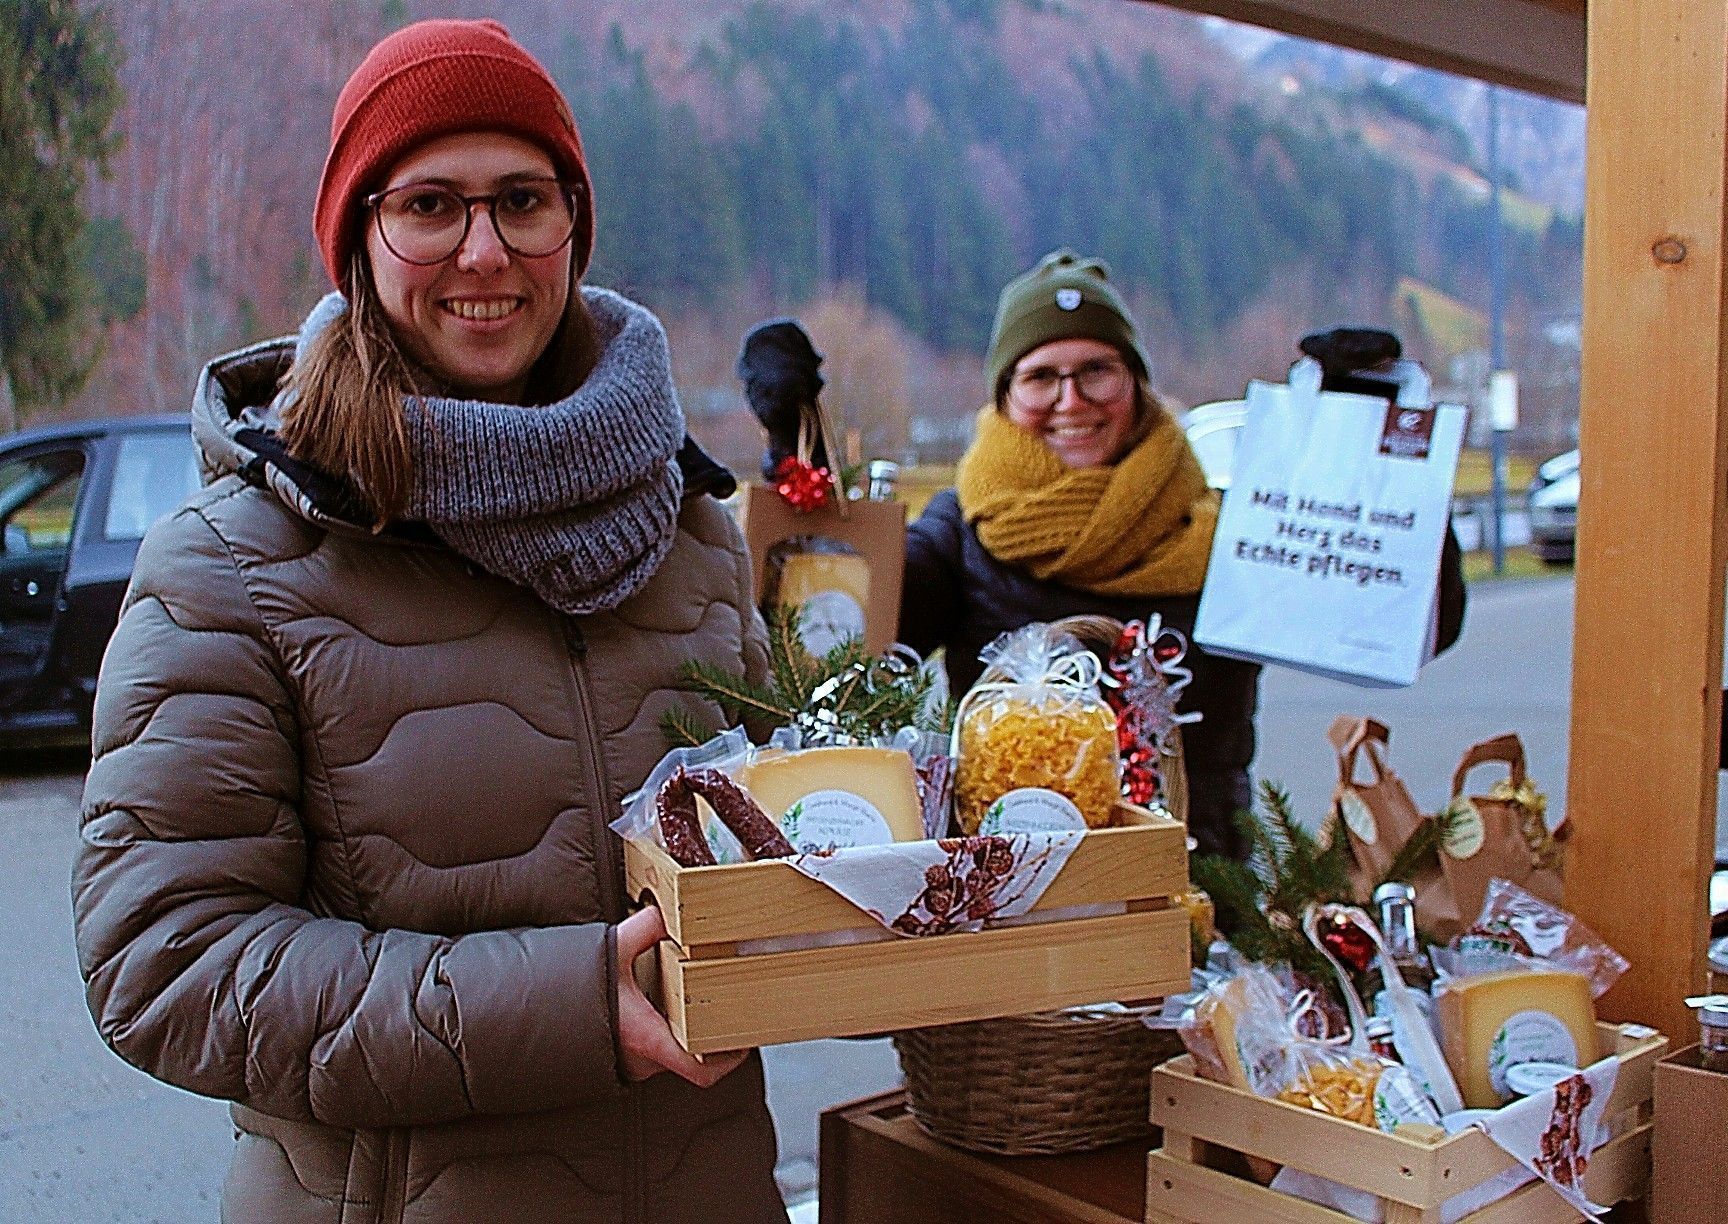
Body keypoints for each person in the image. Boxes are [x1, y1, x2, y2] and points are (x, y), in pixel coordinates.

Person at [71, 20, 786, 1223]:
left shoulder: (690, 529)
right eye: (430, 206)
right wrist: (559, 1010)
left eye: (523, 199)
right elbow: (167, 961)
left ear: (575, 223)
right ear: (360, 238)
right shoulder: (234, 561)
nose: (485, 250)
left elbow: (765, 830)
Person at [899, 249, 1262, 859]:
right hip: (1016, 893)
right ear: (1005, 396)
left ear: (1138, 385)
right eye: (1041, 377)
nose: (1071, 401)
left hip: (1205, 888)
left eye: (1097, 370)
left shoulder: (1221, 528)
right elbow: (853, 618)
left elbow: (1390, 617)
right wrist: (803, 469)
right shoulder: (961, 528)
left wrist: (1360, 432)